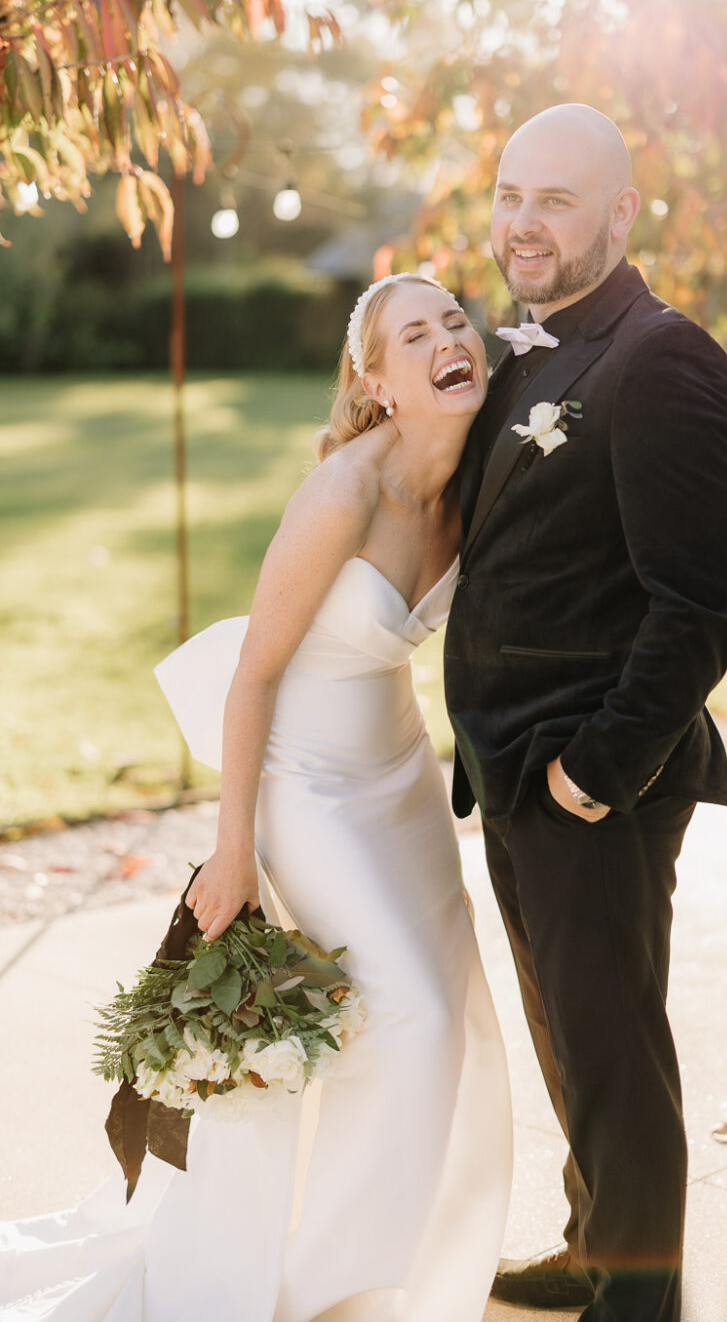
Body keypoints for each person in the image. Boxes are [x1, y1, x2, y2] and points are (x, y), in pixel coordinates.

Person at [0, 274, 512, 1322]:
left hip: (402, 783)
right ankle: (320, 1292)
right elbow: (254, 675)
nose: (445, 339)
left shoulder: (481, 478)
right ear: (374, 381)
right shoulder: (344, 494)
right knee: (407, 1013)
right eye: (411, 335)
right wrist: (233, 851)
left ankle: (417, 1264)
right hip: (305, 790)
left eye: (455, 321)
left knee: (449, 1014)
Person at [444, 104, 727, 1322]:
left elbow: (699, 605)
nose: (523, 221)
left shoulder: (663, 358)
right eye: (512, 193)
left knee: (617, 1063)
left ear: (621, 212)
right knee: (570, 1041)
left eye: (555, 200)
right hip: (514, 774)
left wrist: (593, 774)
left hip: (591, 786)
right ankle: (591, 1249)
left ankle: (637, 1307)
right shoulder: (528, 349)